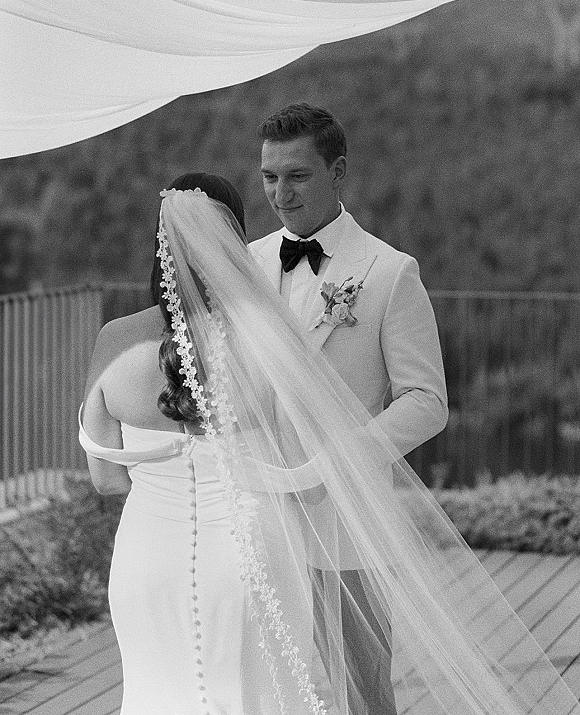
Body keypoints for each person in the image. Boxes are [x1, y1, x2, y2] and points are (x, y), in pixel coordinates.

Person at [79, 173, 578, 715]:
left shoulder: (114, 339)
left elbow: (107, 479)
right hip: (255, 548)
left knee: (157, 692)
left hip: (147, 558)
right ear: (233, 242)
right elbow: (300, 432)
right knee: (262, 694)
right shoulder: (264, 340)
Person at [250, 102, 447, 714]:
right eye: (269, 177)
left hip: (350, 520)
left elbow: (427, 401)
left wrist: (344, 458)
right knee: (270, 683)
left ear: (338, 172)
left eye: (297, 176)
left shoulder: (389, 272)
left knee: (363, 689)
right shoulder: (246, 264)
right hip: (259, 516)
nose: (281, 193)